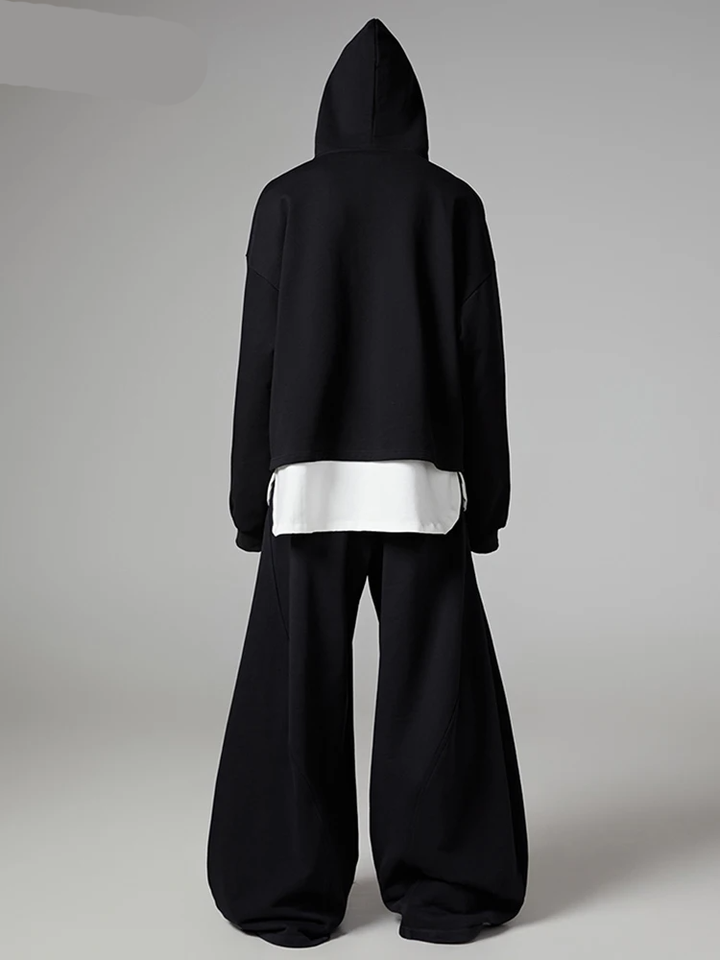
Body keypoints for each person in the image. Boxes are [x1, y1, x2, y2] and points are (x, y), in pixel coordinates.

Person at [205, 16, 528, 948]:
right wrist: (487, 504)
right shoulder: (452, 203)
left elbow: (260, 360)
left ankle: (286, 896)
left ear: (328, 110)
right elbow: (481, 363)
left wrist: (249, 499)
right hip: (422, 489)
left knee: (294, 695)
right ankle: (446, 891)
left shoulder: (286, 201)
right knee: (436, 694)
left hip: (307, 489)